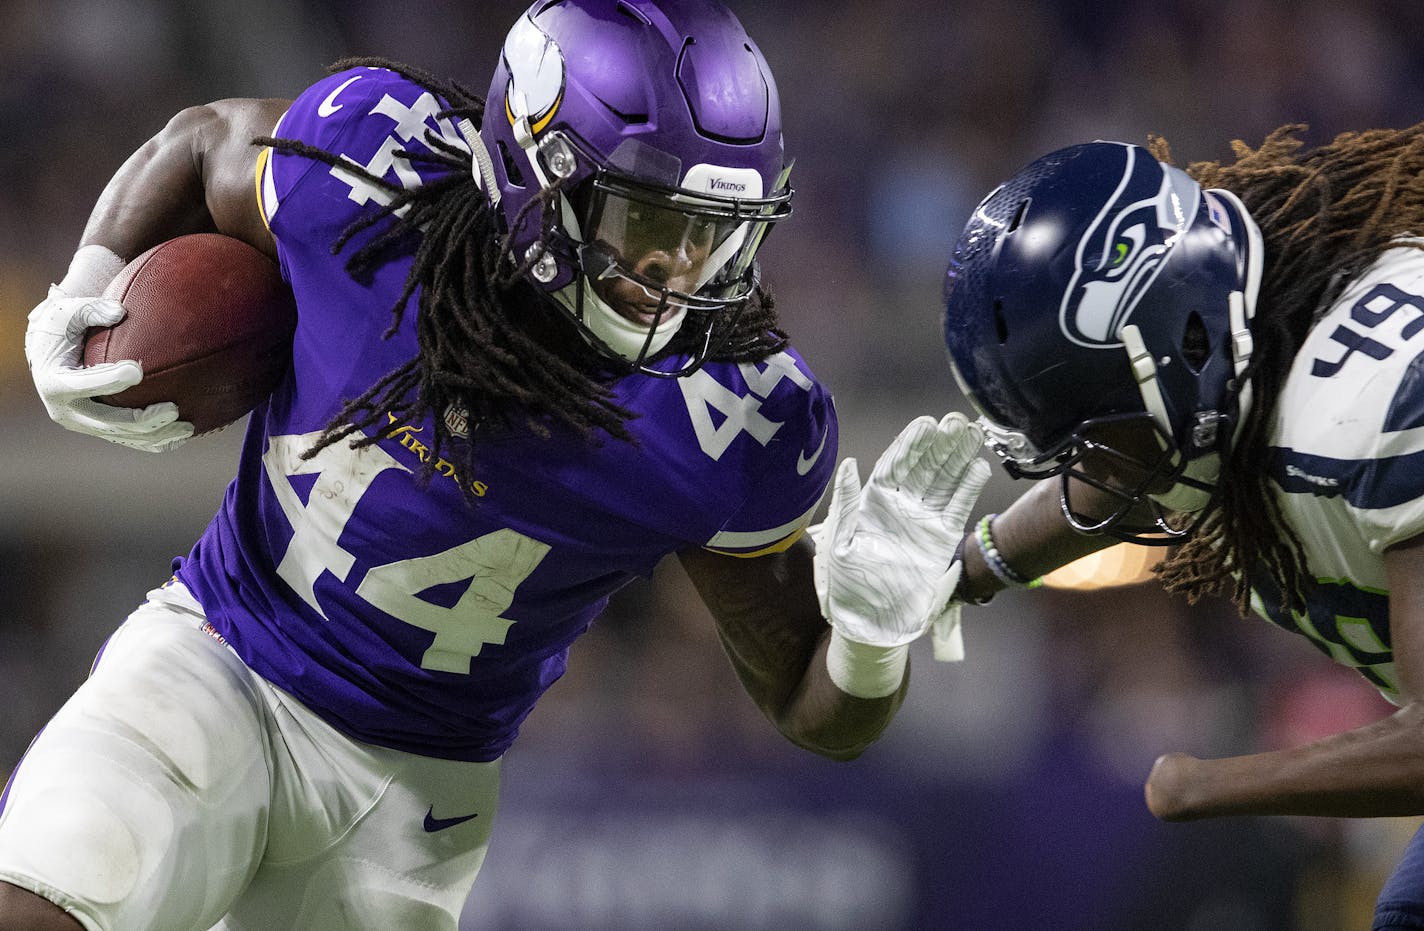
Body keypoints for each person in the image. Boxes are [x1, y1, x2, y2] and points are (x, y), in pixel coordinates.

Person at [10, 2, 989, 929]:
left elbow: (807, 706)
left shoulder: (728, 420)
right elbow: (202, 138)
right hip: (217, 651)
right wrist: (82, 290)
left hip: (411, 791)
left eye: (710, 233)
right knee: (46, 887)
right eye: (650, 226)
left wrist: (867, 636)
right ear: (536, 171)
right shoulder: (373, 183)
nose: (675, 274)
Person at [939, 128, 1424, 928]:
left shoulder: (1375, 399)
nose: (1091, 465)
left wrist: (1205, 785)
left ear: (1184, 337)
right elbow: (1105, 482)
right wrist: (960, 572)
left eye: (1099, 428)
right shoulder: (1230, 355)